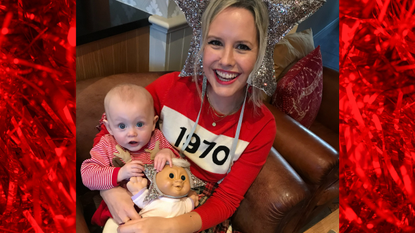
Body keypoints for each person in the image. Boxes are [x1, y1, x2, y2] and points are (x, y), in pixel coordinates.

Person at [80, 84, 180, 232]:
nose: (131, 133)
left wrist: (168, 153)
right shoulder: (107, 144)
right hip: (123, 213)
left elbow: (179, 166)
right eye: (122, 126)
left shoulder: (158, 138)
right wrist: (120, 174)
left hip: (159, 208)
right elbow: (87, 176)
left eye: (139, 124)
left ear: (153, 123)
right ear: (109, 128)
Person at [127, 158, 203, 218]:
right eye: (171, 176)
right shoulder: (151, 199)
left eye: (183, 177)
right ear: (156, 178)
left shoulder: (183, 203)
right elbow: (141, 201)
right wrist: (138, 189)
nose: (179, 180)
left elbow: (192, 201)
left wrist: (193, 197)